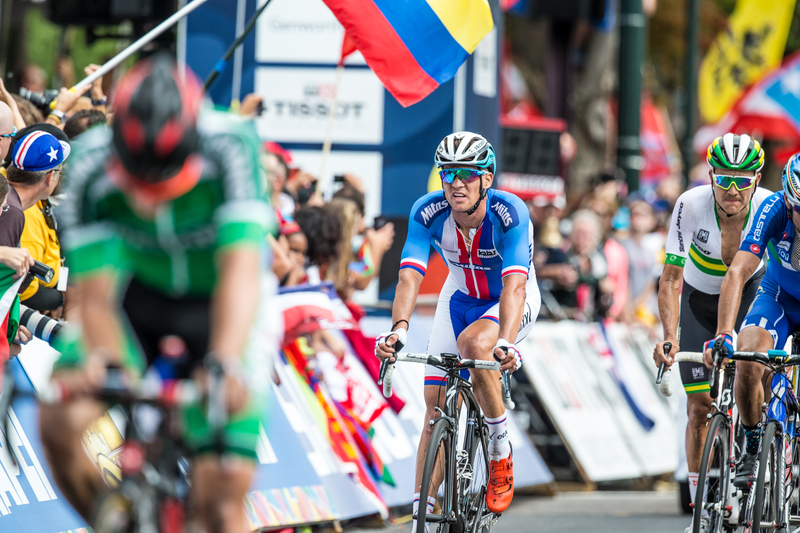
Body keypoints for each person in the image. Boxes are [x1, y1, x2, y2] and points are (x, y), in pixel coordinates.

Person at [42, 55, 275, 532]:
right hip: (135, 300)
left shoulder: (231, 146)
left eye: (165, 177)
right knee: (59, 421)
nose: (151, 196)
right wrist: (108, 367)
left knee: (221, 500)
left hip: (219, 305)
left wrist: (225, 362)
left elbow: (241, 270)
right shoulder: (88, 162)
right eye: (139, 179)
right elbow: (94, 293)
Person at [374, 131, 540, 528]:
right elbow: (409, 277)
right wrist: (398, 329)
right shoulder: (428, 211)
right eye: (448, 174)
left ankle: (499, 450)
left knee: (475, 345)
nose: (456, 184)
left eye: (467, 174)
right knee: (435, 405)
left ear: (487, 178)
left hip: (508, 297)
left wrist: (505, 342)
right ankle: (423, 511)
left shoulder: (509, 213)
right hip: (460, 294)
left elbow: (514, 287)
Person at [652, 133, 771, 532]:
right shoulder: (690, 205)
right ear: (710, 177)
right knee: (699, 408)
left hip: (751, 297)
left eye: (742, 179)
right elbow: (671, 278)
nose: (733, 189)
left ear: (757, 179)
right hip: (699, 303)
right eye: (724, 179)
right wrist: (669, 336)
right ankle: (702, 510)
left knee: (758, 379)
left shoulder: (769, 205)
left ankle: (764, 456)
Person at [703, 150, 800, 493]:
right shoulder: (773, 209)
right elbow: (738, 271)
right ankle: (754, 443)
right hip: (779, 297)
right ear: (788, 201)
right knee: (747, 359)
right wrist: (724, 333)